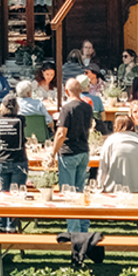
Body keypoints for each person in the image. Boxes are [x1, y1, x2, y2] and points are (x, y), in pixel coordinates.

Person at [48, 78, 93, 233]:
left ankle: (74, 231)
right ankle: (83, 228)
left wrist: (53, 153)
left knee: (68, 194)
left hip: (68, 152)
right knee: (80, 192)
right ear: (79, 90)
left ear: (66, 92)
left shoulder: (67, 108)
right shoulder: (87, 107)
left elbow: (61, 133)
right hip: (83, 150)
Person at [0, 95, 27, 232]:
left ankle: (1, 225)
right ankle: (11, 227)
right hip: (19, 160)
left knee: (3, 193)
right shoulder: (20, 119)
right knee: (16, 194)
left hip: (2, 159)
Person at [97, 115, 138, 192]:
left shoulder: (110, 140)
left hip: (115, 187)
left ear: (116, 126)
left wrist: (100, 185)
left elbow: (103, 166)